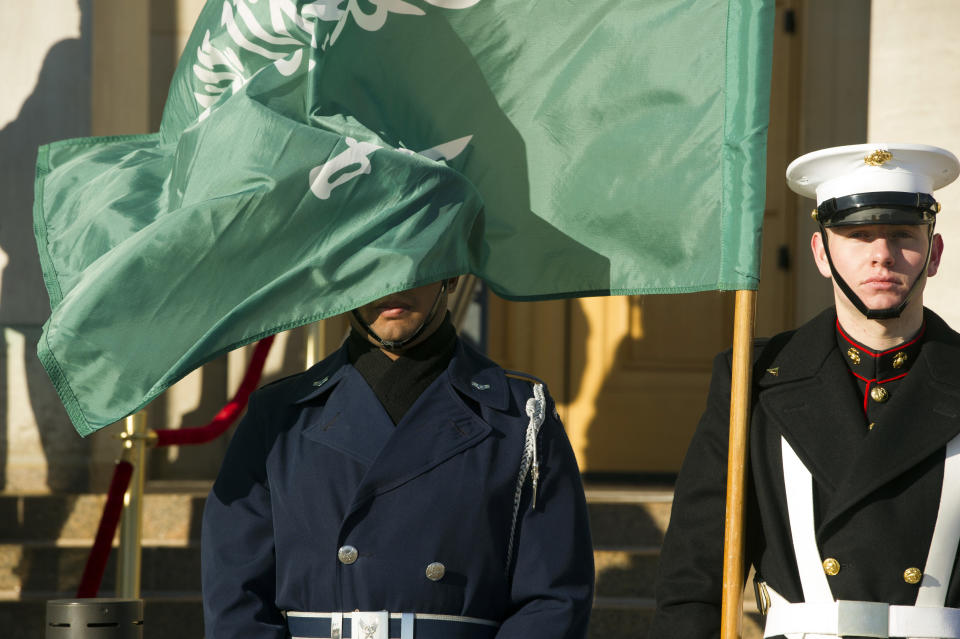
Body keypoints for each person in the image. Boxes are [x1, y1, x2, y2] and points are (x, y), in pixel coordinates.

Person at [650, 143, 960, 638]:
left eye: (902, 234)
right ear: (821, 253)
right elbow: (695, 575)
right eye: (858, 236)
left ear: (935, 253)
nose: (882, 255)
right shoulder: (753, 379)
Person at [201, 276, 594, 639]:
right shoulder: (279, 416)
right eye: (370, 263)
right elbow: (236, 597)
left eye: (415, 262)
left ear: (452, 274)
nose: (392, 283)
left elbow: (552, 599)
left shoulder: (519, 417)